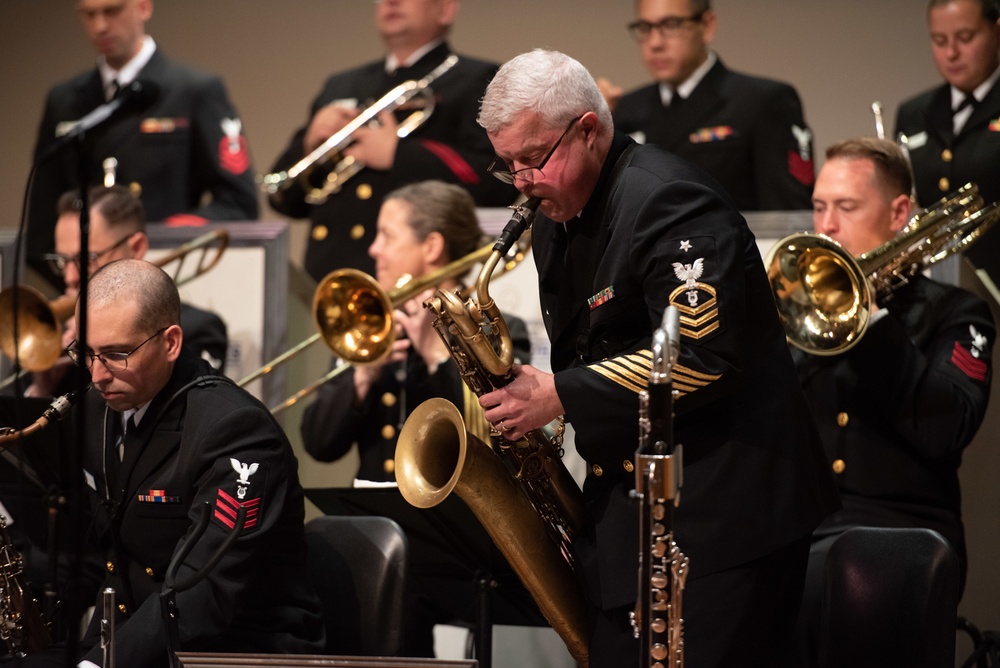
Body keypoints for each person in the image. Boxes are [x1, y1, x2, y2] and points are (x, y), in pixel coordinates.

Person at [475, 49, 839, 667]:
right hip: (640, 516)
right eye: (506, 164)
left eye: (533, 159)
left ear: (588, 129)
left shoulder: (671, 201)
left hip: (723, 520)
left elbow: (703, 354)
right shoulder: (553, 218)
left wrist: (562, 393)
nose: (521, 184)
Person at [18, 259, 325, 667]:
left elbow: (202, 592)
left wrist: (95, 664)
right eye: (86, 354)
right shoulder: (99, 408)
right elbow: (109, 559)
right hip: (140, 642)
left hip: (240, 649)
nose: (96, 375)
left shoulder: (236, 431)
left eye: (115, 354)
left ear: (171, 343)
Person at [791, 137, 995, 666]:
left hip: (902, 532)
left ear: (900, 212)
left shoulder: (957, 312)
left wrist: (872, 322)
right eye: (819, 207)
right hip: (808, 527)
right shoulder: (799, 313)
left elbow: (946, 428)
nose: (827, 226)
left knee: (850, 573)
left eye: (847, 207)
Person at [300, 180, 530, 484]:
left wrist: (437, 356)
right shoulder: (371, 323)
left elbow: (499, 439)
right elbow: (319, 444)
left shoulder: (496, 330)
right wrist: (361, 378)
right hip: (378, 520)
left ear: (432, 246)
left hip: (458, 518)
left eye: (387, 235)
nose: (373, 248)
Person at [268, 0, 514, 283]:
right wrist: (309, 142)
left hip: (415, 283)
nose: (391, 2)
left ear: (446, 8)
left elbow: (498, 183)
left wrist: (398, 155)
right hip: (328, 275)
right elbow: (286, 201)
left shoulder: (475, 79)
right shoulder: (341, 85)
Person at [28, 0, 259, 288]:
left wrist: (164, 236)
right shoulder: (64, 101)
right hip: (83, 286)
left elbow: (238, 205)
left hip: (164, 279)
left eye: (112, 11)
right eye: (89, 15)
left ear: (143, 7)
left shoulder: (193, 90)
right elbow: (41, 220)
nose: (100, 26)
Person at [606, 0, 815, 211]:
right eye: (645, 28)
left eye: (671, 25)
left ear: (707, 26)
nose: (655, 43)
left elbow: (789, 215)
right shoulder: (624, 110)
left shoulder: (763, 101)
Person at [26, 184, 228, 400]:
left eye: (85, 259)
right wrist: (41, 390)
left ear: (136, 248)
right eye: (62, 261)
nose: (70, 277)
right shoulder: (47, 325)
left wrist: (96, 343)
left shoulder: (197, 328)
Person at [894, 0, 1000, 284]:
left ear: (997, 32)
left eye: (965, 38)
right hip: (935, 287)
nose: (951, 53)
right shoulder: (915, 112)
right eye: (939, 41)